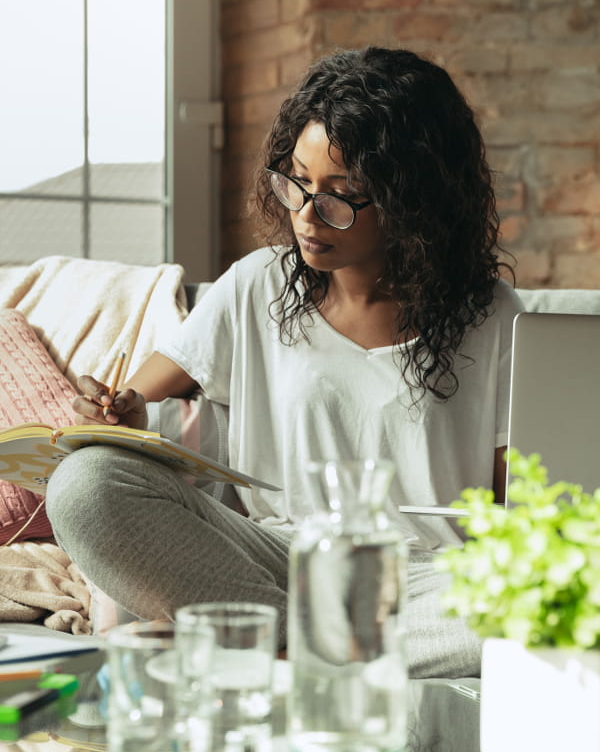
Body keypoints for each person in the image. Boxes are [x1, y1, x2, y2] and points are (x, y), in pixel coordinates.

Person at [46, 46, 523, 679]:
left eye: (341, 195)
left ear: (414, 202)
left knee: (560, 594)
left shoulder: (492, 314)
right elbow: (121, 415)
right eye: (297, 182)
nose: (305, 214)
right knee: (85, 486)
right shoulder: (254, 286)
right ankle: (312, 654)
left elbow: (524, 509)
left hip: (432, 586)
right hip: (277, 559)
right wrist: (117, 414)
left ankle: (264, 649)